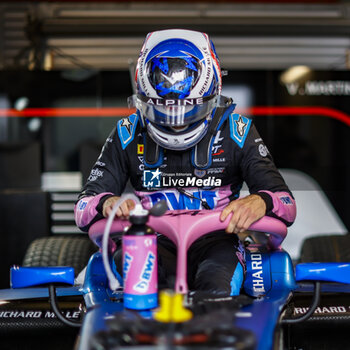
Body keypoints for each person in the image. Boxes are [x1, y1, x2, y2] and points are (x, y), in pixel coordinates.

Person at [74, 29, 296, 296]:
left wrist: (261, 201)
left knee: (216, 288)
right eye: (164, 109)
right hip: (150, 240)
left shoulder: (238, 131)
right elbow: (83, 208)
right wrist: (107, 202)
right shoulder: (127, 132)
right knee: (143, 284)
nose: (176, 122)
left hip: (217, 241)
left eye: (188, 109)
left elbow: (286, 204)